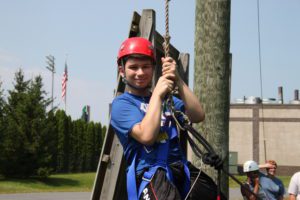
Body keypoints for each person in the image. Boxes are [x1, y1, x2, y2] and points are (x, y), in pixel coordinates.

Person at [111, 37, 225, 200]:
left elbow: (197, 115)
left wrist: (177, 79)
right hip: (150, 173)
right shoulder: (122, 104)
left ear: (153, 68)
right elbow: (146, 136)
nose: (140, 73)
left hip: (179, 168)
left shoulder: (167, 100)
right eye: (133, 67)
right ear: (122, 70)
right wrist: (157, 94)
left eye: (146, 67)